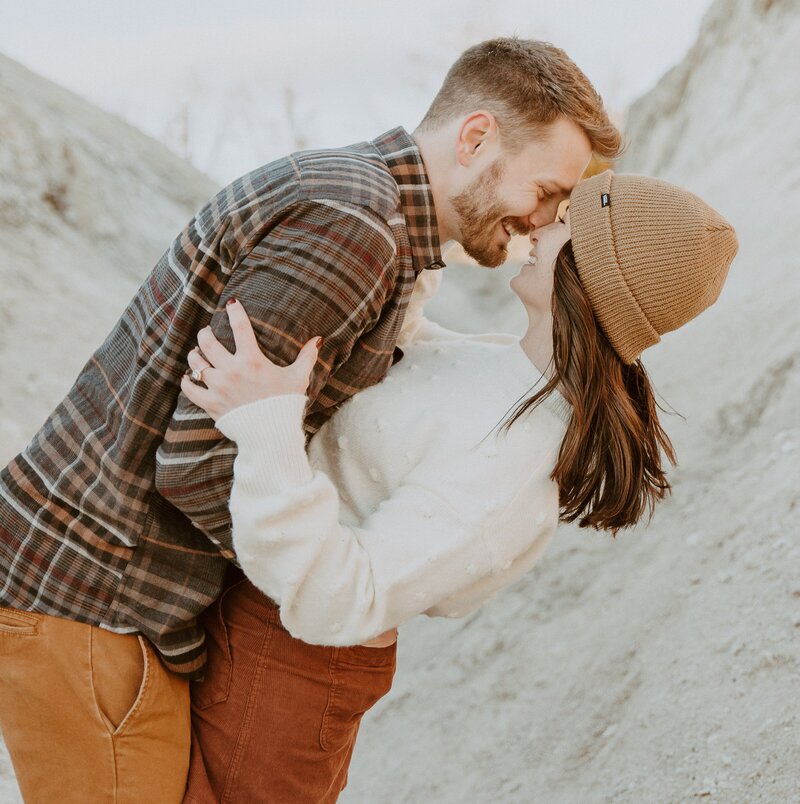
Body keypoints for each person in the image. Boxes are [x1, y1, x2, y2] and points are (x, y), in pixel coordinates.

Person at [0, 38, 621, 803]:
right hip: (96, 593)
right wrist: (308, 583)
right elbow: (197, 458)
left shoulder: (369, 213)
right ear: (476, 137)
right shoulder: (354, 230)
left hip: (115, 591)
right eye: (549, 190)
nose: (545, 220)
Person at [179, 171, 738, 802]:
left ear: (590, 277)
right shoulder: (506, 370)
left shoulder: (513, 458)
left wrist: (266, 426)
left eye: (564, 226)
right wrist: (433, 234)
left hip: (292, 664)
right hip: (248, 617)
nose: (541, 224)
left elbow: (344, 598)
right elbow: (412, 356)